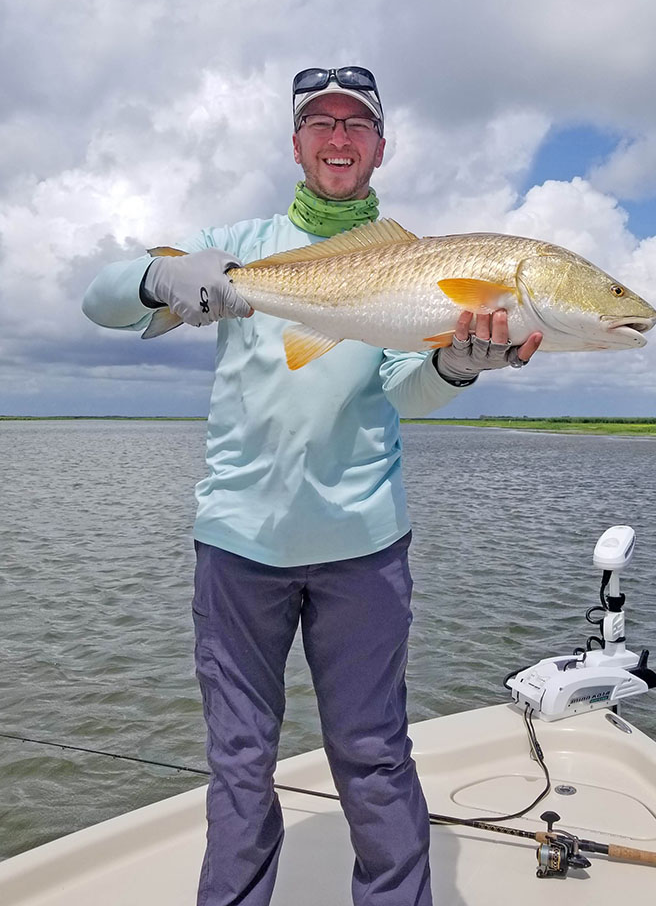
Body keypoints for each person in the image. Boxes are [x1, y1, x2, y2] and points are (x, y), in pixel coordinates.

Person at [82, 66, 542, 906]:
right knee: (240, 762)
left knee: (373, 755)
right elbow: (100, 301)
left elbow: (407, 391)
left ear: (380, 144)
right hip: (238, 547)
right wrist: (161, 279)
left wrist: (454, 367)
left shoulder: (418, 264)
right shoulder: (239, 244)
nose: (338, 138)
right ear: (296, 144)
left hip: (363, 550)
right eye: (321, 124)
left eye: (355, 125)